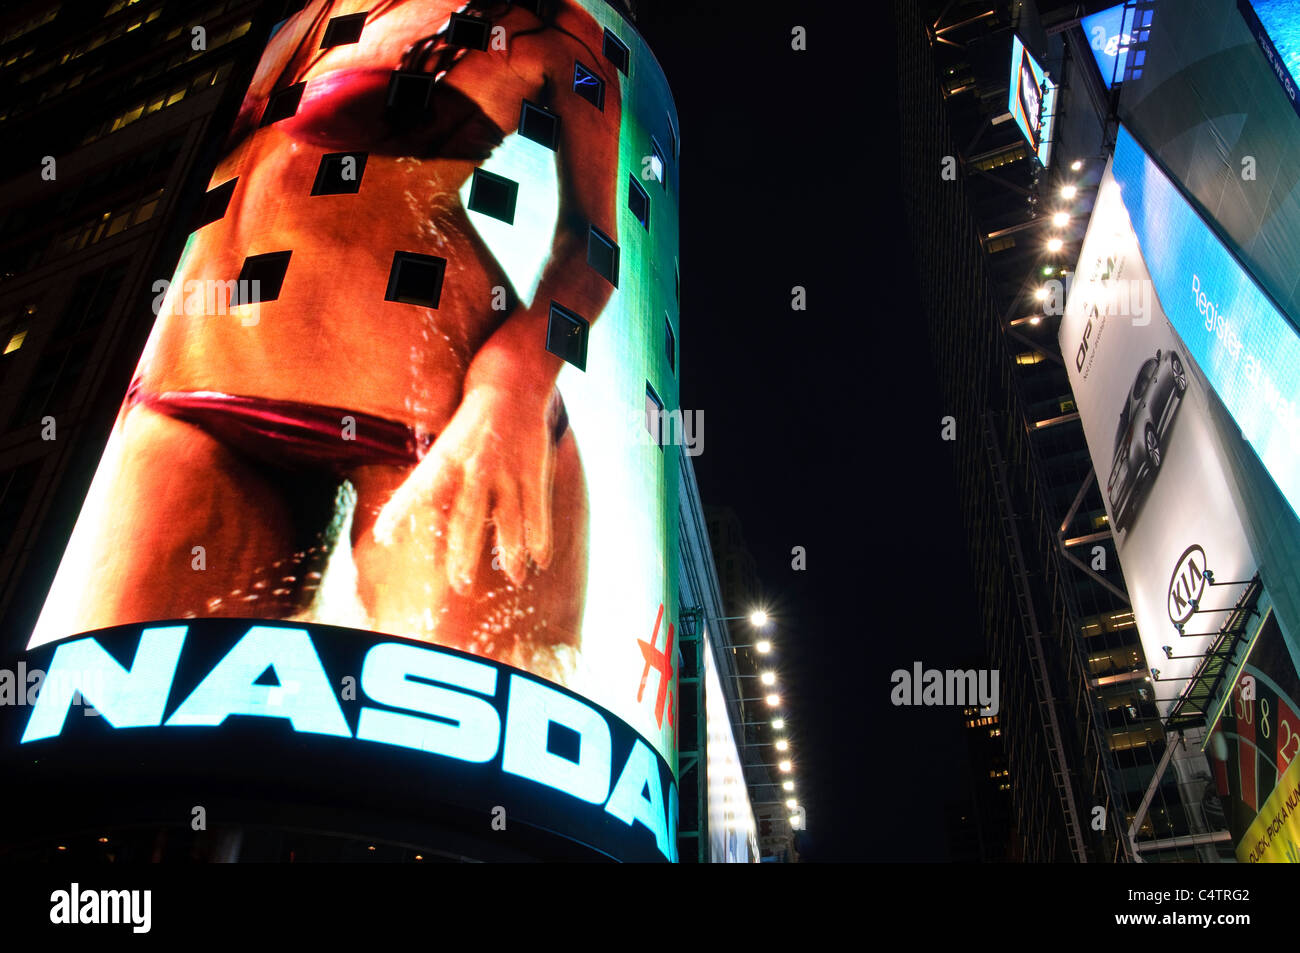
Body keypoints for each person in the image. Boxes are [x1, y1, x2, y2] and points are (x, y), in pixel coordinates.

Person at [54, 0, 621, 682]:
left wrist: (514, 382)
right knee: (108, 713)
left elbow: (595, 248)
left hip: (442, 424)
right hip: (193, 394)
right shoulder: (304, 15)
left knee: (440, 732)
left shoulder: (557, 29)